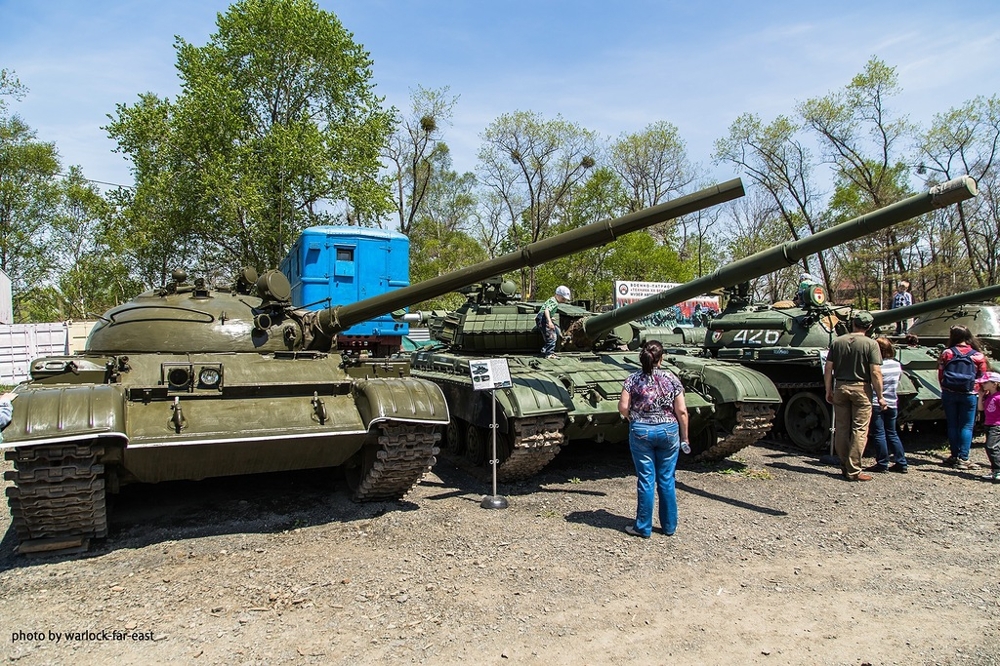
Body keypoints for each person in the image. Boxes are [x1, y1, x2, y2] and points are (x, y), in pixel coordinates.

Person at [618, 340, 689, 538]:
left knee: (646, 480)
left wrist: (634, 419)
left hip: (641, 431)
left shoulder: (632, 379)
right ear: (661, 357)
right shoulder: (671, 378)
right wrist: (685, 437)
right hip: (669, 431)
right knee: (667, 479)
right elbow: (681, 410)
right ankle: (669, 527)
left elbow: (623, 407)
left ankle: (643, 527)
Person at [824, 311, 886, 481]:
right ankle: (854, 470)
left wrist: (828, 389)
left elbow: (828, 368)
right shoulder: (871, 344)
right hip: (861, 388)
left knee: (841, 429)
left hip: (841, 386)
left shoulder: (837, 342)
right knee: (859, 430)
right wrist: (880, 396)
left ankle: (844, 466)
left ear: (853, 324)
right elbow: (875, 371)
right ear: (869, 326)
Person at [938, 325, 989, 469]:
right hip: (969, 394)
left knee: (952, 424)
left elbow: (941, 373)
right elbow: (981, 376)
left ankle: (954, 455)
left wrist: (945, 387)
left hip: (949, 392)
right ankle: (964, 458)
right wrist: (978, 391)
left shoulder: (947, 353)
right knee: (966, 426)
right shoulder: (977, 355)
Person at [866, 337, 908, 473]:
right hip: (892, 402)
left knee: (878, 433)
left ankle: (882, 463)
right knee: (892, 433)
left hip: (877, 401)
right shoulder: (896, 364)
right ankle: (901, 463)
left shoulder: (875, 366)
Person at [977, 371, 1000, 482]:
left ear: (994, 384)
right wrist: (980, 396)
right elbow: (981, 409)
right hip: (989, 424)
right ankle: (995, 470)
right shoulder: (988, 396)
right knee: (993, 447)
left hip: (997, 425)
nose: (983, 385)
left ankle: (998, 470)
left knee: (991, 447)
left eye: (986, 382)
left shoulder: (998, 397)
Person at [536, 285, 571, 359]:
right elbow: (546, 310)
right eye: (563, 298)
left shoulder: (552, 300)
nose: (564, 300)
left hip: (543, 318)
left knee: (557, 330)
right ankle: (549, 353)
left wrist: (550, 318)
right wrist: (549, 321)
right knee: (552, 337)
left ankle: (545, 349)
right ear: (557, 295)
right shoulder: (554, 302)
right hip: (543, 319)